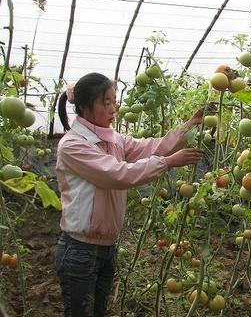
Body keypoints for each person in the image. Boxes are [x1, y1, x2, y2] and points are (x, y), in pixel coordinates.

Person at [54, 72, 209, 317]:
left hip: (106, 248)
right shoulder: (73, 145)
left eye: (114, 101)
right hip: (80, 250)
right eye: (105, 102)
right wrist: (167, 163)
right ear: (84, 107)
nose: (113, 108)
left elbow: (152, 146)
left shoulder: (114, 139)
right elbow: (117, 175)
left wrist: (189, 125)